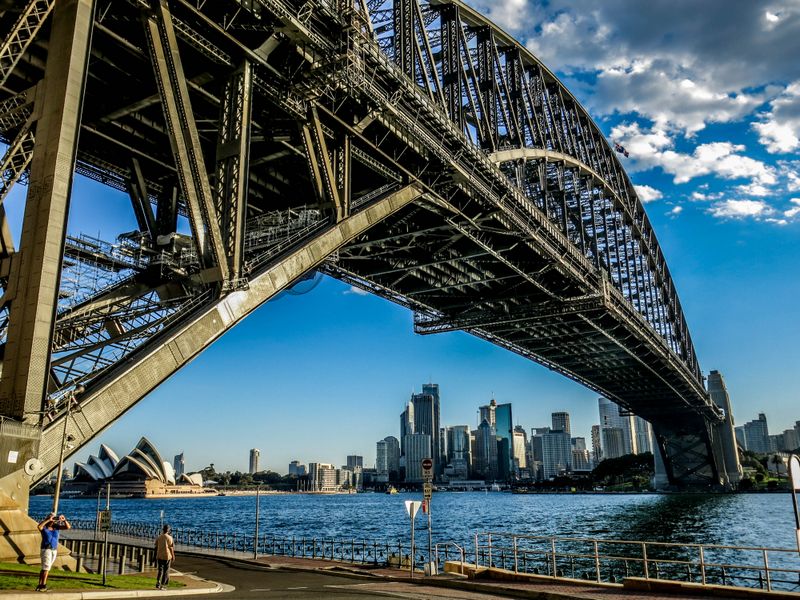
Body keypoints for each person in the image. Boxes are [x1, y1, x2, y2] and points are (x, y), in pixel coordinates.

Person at [36, 512, 71, 592]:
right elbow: (39, 526)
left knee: (45, 568)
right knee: (46, 568)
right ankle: (43, 586)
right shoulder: (44, 527)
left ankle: (40, 585)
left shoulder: (56, 527)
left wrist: (64, 520)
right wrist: (48, 519)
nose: (53, 520)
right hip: (46, 549)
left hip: (54, 550)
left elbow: (68, 527)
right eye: (52, 518)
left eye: (54, 518)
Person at [154, 524, 175, 589]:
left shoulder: (159, 537)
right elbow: (171, 548)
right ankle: (163, 585)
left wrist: (154, 556)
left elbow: (156, 547)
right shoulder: (170, 538)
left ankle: (158, 582)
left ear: (163, 530)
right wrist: (173, 555)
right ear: (168, 530)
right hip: (167, 556)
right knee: (166, 571)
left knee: (160, 570)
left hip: (159, 555)